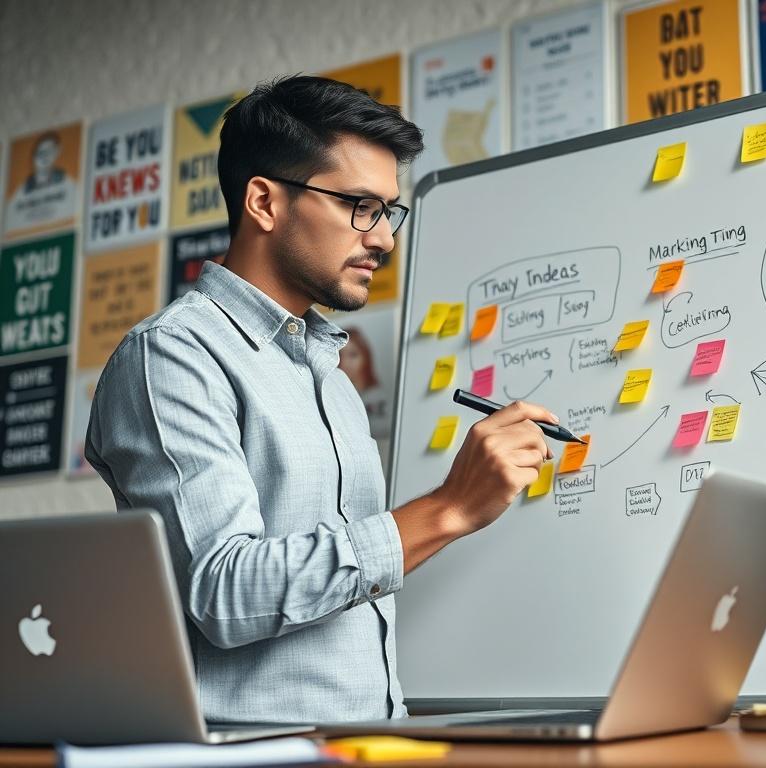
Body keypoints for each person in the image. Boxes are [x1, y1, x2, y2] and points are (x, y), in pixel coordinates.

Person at [85, 76, 554, 725]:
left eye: (388, 211)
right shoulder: (171, 356)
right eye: (360, 205)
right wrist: (447, 509)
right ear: (263, 202)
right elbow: (224, 592)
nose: (384, 239)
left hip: (372, 742)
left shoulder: (329, 373)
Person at [337, 326, 379, 392]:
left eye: (353, 355)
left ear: (365, 356)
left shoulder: (377, 397)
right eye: (339, 355)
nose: (344, 362)